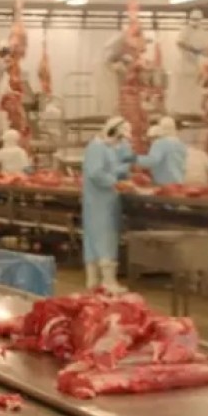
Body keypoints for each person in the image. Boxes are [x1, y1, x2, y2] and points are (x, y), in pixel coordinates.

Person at [82, 116, 133, 292]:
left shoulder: (107, 147)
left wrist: (123, 172)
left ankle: (95, 281)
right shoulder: (96, 147)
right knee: (104, 237)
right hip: (99, 200)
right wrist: (115, 182)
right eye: (119, 138)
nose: (120, 142)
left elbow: (112, 168)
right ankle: (107, 281)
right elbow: (96, 173)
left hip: (106, 199)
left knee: (99, 237)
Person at [137, 116, 187, 185]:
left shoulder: (160, 143)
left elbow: (152, 161)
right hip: (178, 181)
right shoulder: (180, 144)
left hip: (164, 182)